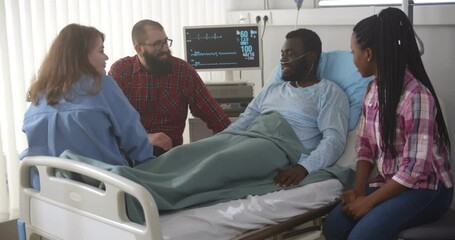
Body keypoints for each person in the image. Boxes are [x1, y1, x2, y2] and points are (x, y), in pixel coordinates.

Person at [64, 28, 350, 219]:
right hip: (249, 136)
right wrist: (220, 141)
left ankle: (137, 199)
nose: (282, 59)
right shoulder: (274, 90)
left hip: (279, 144)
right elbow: (247, 119)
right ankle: (110, 177)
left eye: (289, 54)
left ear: (310, 57)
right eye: (282, 54)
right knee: (186, 153)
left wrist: (304, 167)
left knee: (214, 165)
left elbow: (334, 139)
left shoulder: (329, 93)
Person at [323, 8, 453, 240]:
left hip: (427, 190)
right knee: (334, 226)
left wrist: (369, 202)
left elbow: (414, 169)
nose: (352, 59)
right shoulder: (373, 90)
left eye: (353, 52)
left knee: (361, 236)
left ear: (369, 54)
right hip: (392, 183)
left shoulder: (416, 96)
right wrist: (359, 189)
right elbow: (364, 146)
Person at [21, 24, 155, 188]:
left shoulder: (37, 98)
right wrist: (152, 175)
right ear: (80, 56)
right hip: (106, 192)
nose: (106, 57)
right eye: (101, 51)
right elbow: (134, 138)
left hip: (49, 197)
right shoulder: (100, 85)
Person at [109, 19, 231, 156]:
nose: (165, 49)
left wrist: (237, 140)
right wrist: (144, 137)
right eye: (157, 44)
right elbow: (109, 121)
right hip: (128, 154)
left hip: (168, 157)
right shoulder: (121, 71)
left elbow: (214, 115)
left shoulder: (182, 71)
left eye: (165, 42)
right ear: (139, 49)